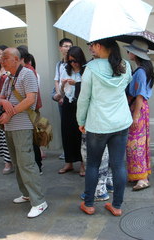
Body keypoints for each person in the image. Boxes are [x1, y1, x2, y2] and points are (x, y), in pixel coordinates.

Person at [77, 39, 132, 216]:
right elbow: (125, 85)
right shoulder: (125, 65)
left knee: (92, 164)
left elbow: (84, 98)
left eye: (92, 45)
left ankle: (89, 204)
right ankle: (116, 206)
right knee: (118, 165)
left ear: (100, 46)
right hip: (121, 122)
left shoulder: (91, 68)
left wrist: (81, 120)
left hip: (99, 124)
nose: (91, 48)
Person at [0, 48, 47, 218]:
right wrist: (3, 101)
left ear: (17, 59)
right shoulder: (8, 77)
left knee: (27, 163)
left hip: (23, 125)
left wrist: (9, 112)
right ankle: (26, 193)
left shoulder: (27, 74)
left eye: (6, 58)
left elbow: (30, 99)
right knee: (18, 163)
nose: (2, 61)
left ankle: (39, 201)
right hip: (10, 126)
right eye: (2, 58)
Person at [124, 40, 154, 191]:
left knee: (135, 144)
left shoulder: (141, 72)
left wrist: (135, 117)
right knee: (140, 143)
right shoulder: (143, 70)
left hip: (138, 109)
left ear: (135, 53)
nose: (128, 53)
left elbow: (139, 96)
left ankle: (142, 178)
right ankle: (140, 174)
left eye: (129, 50)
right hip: (142, 109)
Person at [57, 46, 86, 176]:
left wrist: (76, 83)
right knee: (67, 133)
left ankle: (83, 163)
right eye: (70, 61)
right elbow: (62, 92)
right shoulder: (65, 69)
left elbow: (88, 88)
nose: (73, 63)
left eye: (75, 61)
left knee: (80, 135)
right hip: (68, 103)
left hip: (81, 104)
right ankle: (69, 162)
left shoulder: (86, 70)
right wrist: (63, 85)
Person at [17, 46, 43, 174]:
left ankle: (37, 166)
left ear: (22, 59)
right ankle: (37, 166)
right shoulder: (26, 70)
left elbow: (31, 97)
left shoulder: (27, 71)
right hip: (30, 110)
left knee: (32, 139)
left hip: (30, 111)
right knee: (33, 139)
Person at [52, 38, 73, 161]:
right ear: (60, 48)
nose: (68, 48)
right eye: (65, 46)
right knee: (65, 127)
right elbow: (56, 79)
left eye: (70, 46)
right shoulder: (59, 64)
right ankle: (67, 154)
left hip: (72, 98)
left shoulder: (74, 63)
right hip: (62, 98)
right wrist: (59, 94)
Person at [0, 45, 13, 174]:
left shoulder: (9, 71)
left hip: (7, 105)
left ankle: (9, 162)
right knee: (1, 135)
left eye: (0, 54)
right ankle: (6, 161)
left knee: (7, 135)